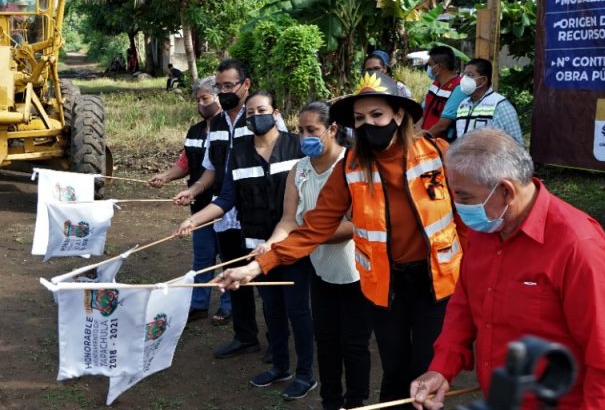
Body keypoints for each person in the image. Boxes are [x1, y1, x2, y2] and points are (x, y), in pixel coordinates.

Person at [214, 72, 467, 405]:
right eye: (360, 119)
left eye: (377, 115)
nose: (368, 124)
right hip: (385, 284)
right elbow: (313, 227)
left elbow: (467, 220)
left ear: (399, 114)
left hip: (435, 282)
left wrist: (477, 278)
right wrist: (256, 267)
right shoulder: (349, 167)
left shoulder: (438, 153)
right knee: (393, 370)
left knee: (424, 369)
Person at [409, 128, 605, 410]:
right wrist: (441, 369)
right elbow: (464, 305)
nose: (458, 207)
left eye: (464, 198)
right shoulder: (487, 228)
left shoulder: (577, 246)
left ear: (506, 190)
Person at [174, 91, 317, 400]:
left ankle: (306, 374)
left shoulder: (296, 146)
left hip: (292, 244)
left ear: (276, 112)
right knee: (272, 309)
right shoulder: (237, 153)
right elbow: (227, 199)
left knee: (297, 310)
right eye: (250, 114)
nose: (255, 117)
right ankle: (281, 367)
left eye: (261, 110)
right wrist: (195, 220)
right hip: (256, 247)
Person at [256, 101, 371, 410]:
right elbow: (288, 220)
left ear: (332, 129)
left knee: (355, 345)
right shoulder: (299, 169)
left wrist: (304, 239)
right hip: (321, 270)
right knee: (327, 341)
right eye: (300, 130)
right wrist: (272, 244)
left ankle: (357, 401)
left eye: (312, 130)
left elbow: (354, 224)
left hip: (357, 273)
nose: (304, 136)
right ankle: (331, 401)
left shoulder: (353, 167)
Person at [172, 59, 262, 359]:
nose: (223, 91)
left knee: (270, 285)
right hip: (226, 216)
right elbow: (211, 169)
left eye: (228, 86)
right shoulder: (218, 124)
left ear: (245, 85)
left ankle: (279, 346)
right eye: (219, 87)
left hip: (257, 216)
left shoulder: (262, 119)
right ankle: (245, 336)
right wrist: (193, 189)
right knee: (233, 276)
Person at [148, 77, 231, 323]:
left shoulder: (228, 129)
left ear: (219, 97)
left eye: (205, 98)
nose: (201, 104)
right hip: (199, 206)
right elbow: (185, 163)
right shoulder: (195, 131)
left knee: (229, 258)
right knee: (203, 258)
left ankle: (228, 305)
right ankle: (199, 304)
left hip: (225, 206)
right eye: (198, 100)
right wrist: (165, 176)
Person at [449, 58, 523, 144]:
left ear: (483, 80)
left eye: (470, 75)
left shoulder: (500, 105)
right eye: (464, 75)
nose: (464, 79)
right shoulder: (463, 105)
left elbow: (517, 144)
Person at [420, 46, 465, 141]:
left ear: (439, 67)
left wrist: (422, 140)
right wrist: (417, 133)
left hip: (440, 145)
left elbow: (443, 125)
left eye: (430, 65)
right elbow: (423, 112)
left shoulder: (458, 88)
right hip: (424, 141)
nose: (428, 68)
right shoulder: (435, 84)